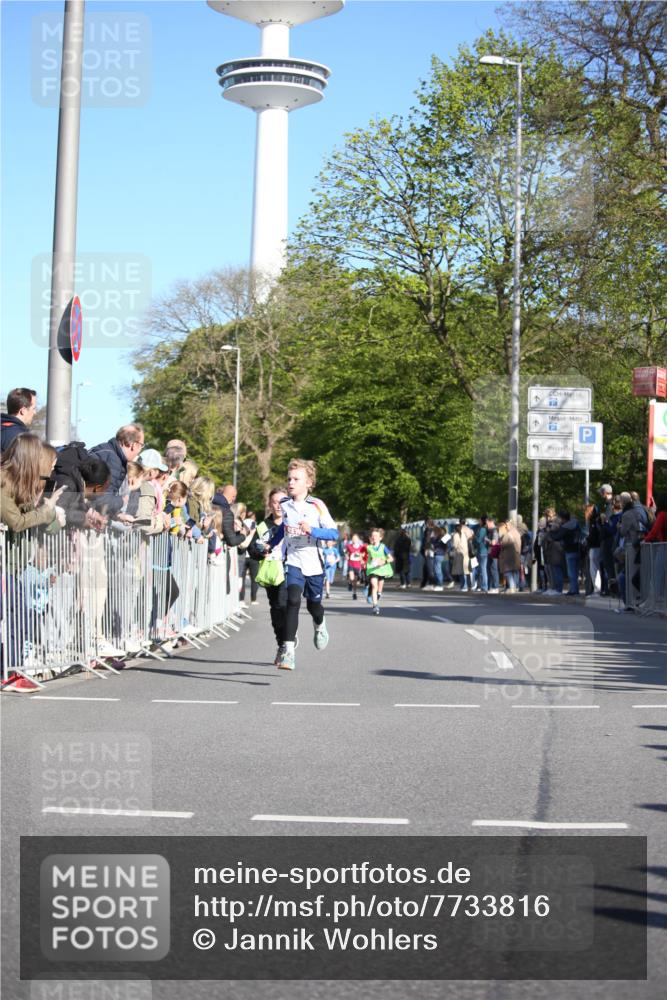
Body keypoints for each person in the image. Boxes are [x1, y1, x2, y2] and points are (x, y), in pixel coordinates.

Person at [269, 458, 338, 671]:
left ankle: (319, 624)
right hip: (293, 560)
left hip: (314, 564)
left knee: (313, 605)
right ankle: (288, 652)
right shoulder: (284, 504)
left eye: (296, 479)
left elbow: (333, 533)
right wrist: (269, 543)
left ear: (308, 483)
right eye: (289, 478)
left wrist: (312, 530)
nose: (290, 482)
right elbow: (283, 530)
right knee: (292, 600)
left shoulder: (317, 505)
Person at [0, 435, 64, 534]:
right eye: (39, 457)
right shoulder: (4, 482)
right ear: (29, 460)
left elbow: (27, 512)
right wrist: (46, 510)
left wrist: (47, 509)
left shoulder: (14, 479)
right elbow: (16, 523)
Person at [253, 487, 288, 665]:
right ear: (270, 504)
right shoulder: (262, 527)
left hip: (289, 570)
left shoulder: (293, 523)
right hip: (271, 572)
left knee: (285, 605)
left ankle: (288, 639)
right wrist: (261, 552)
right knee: (276, 610)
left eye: (282, 502)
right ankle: (282, 643)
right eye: (275, 502)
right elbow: (252, 549)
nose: (279, 506)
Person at [89, 423, 145, 515]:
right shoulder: (113, 460)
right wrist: (123, 500)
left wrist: (119, 515)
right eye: (141, 445)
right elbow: (102, 500)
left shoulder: (106, 450)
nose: (140, 450)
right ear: (134, 445)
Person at [365, 528, 394, 614]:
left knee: (379, 588)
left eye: (376, 536)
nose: (374, 537)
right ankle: (375, 606)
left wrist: (383, 561)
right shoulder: (369, 547)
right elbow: (367, 557)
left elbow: (391, 558)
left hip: (382, 570)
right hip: (373, 569)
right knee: (374, 585)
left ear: (380, 538)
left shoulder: (383, 547)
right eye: (372, 536)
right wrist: (366, 561)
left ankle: (378, 595)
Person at [1, 388, 38, 452]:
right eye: (33, 408)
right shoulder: (19, 438)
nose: (35, 412)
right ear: (23, 410)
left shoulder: (3, 429)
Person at [498, 519, 522, 592]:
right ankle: (516, 587)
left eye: (507, 525)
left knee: (508, 572)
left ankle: (512, 587)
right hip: (516, 555)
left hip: (508, 556)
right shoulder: (517, 533)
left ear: (511, 525)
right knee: (515, 571)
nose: (506, 527)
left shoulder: (508, 534)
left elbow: (502, 544)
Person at [345, 532, 367, 600]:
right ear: (352, 539)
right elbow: (346, 552)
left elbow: (364, 554)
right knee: (352, 578)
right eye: (353, 538)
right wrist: (347, 556)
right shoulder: (349, 546)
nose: (354, 540)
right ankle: (350, 583)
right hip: (351, 563)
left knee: (355, 581)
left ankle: (354, 593)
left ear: (358, 539)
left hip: (358, 565)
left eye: (355, 538)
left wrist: (361, 557)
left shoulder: (361, 547)